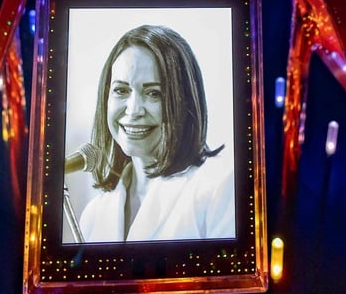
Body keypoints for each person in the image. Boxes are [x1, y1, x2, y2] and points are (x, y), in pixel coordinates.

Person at [76, 25, 235, 243]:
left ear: (184, 101)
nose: (133, 110)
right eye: (121, 90)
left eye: (153, 93)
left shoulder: (220, 187)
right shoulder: (92, 216)